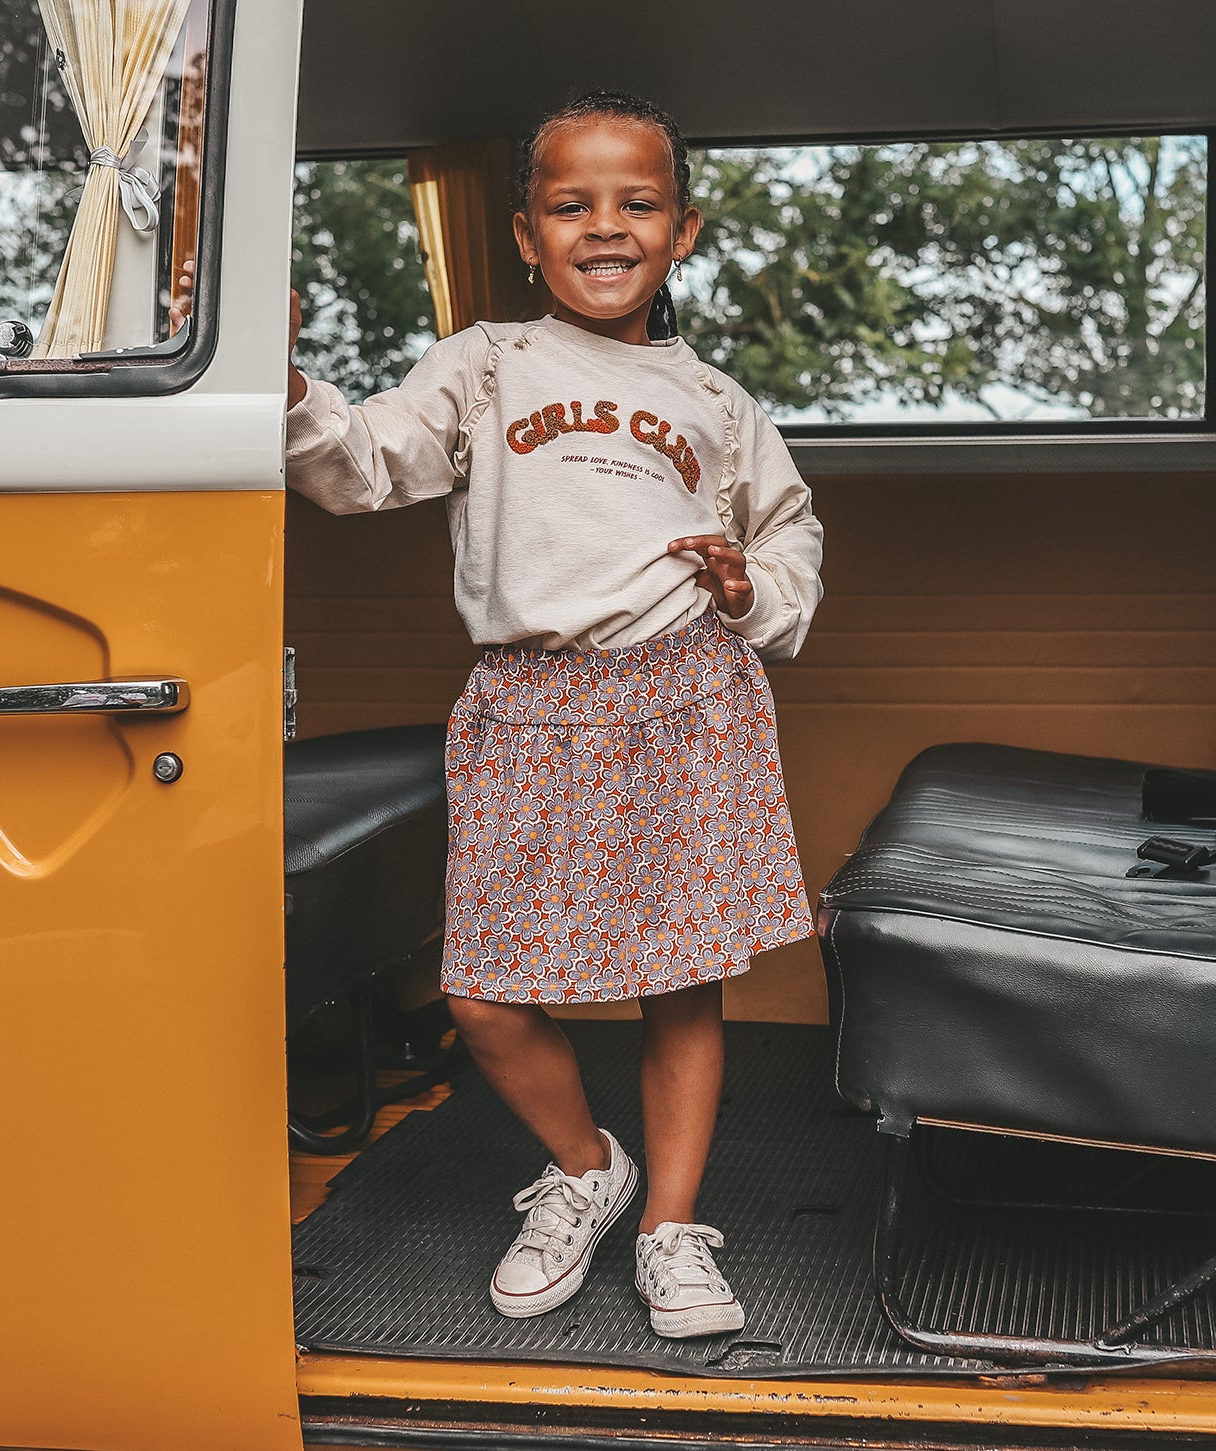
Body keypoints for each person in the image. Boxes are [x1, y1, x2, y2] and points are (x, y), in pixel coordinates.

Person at [282, 90, 824, 1340]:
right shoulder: (484, 363)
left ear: (681, 231)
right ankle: (586, 1169)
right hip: (526, 706)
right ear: (526, 236)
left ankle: (671, 1227)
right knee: (482, 992)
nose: (605, 226)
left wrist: (747, 586)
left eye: (637, 203)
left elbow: (787, 535)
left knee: (679, 980)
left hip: (683, 697)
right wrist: (285, 381)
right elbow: (362, 465)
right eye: (571, 205)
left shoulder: (717, 402)